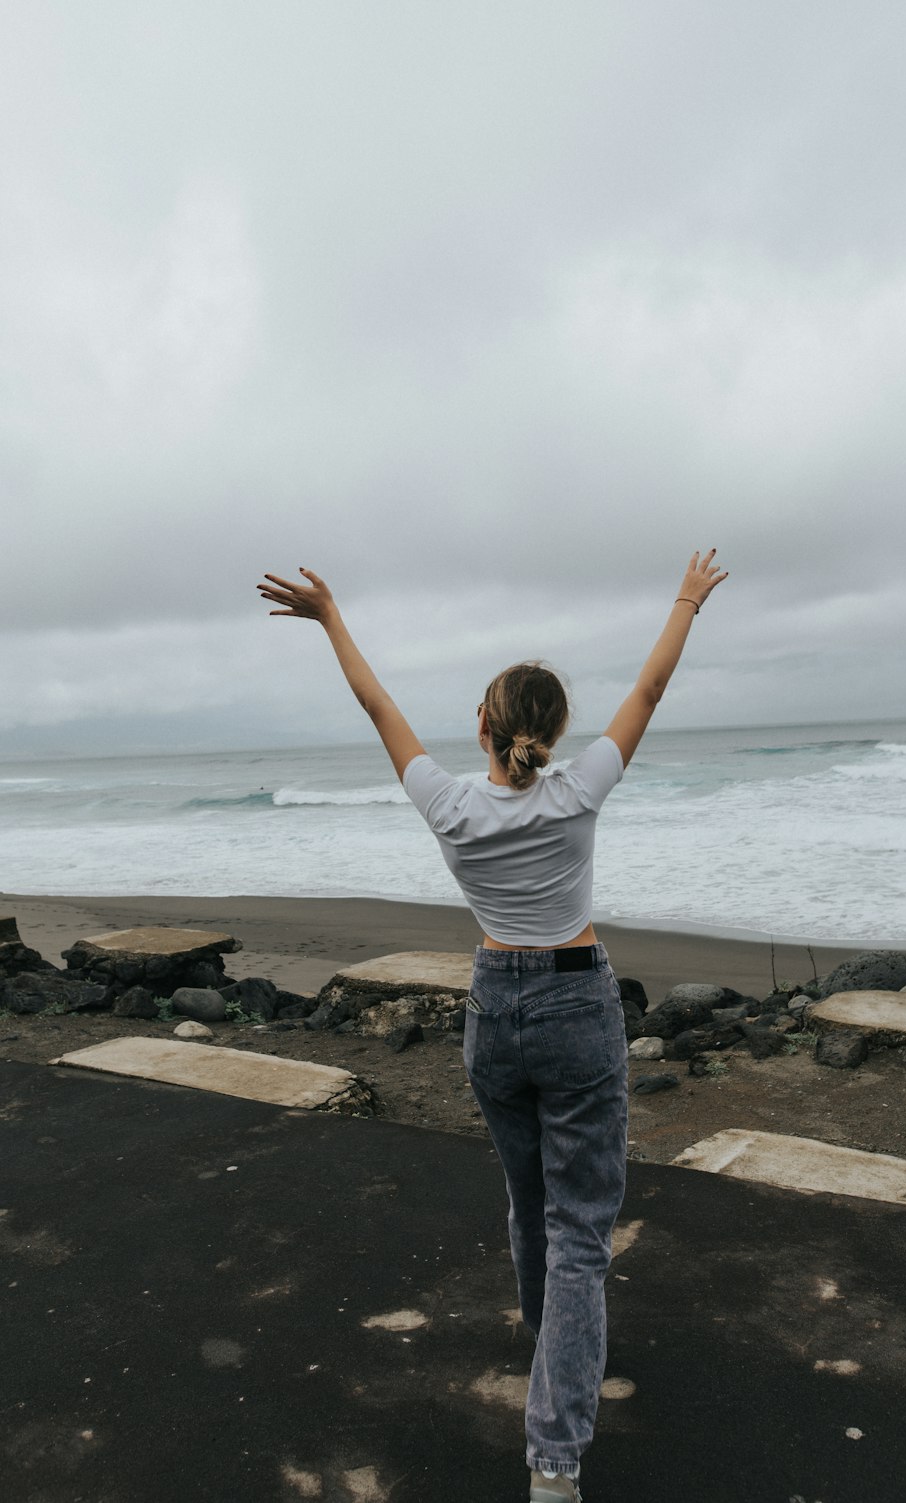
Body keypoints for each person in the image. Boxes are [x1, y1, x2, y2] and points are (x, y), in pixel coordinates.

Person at [257, 551, 728, 1502]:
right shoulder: (579, 788)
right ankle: (553, 1459)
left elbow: (376, 706)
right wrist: (686, 597)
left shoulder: (449, 803)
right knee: (582, 1230)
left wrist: (329, 615)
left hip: (492, 1010)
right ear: (554, 734)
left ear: (482, 726)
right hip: (574, 1005)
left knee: (529, 1197)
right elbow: (653, 683)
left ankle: (544, 1327)